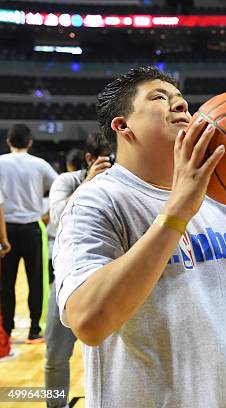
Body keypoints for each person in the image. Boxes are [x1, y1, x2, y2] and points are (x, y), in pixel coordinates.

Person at [52, 67, 226, 407]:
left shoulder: (220, 201)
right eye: (160, 98)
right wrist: (178, 211)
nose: (181, 107)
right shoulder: (97, 200)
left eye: (183, 103)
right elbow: (88, 321)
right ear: (122, 125)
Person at [45, 134, 113, 408]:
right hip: (68, 281)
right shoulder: (67, 181)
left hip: (108, 281)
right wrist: (88, 184)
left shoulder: (120, 183)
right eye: (106, 158)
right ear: (89, 159)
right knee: (56, 355)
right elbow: (57, 219)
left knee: (111, 357)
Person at [0, 124, 58, 343]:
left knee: (6, 283)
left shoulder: (0, 162)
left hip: (6, 229)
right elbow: (59, 186)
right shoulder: (39, 164)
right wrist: (49, 213)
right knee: (37, 281)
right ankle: (35, 329)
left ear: (8, 141)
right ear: (30, 142)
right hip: (34, 229)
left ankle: (6, 329)